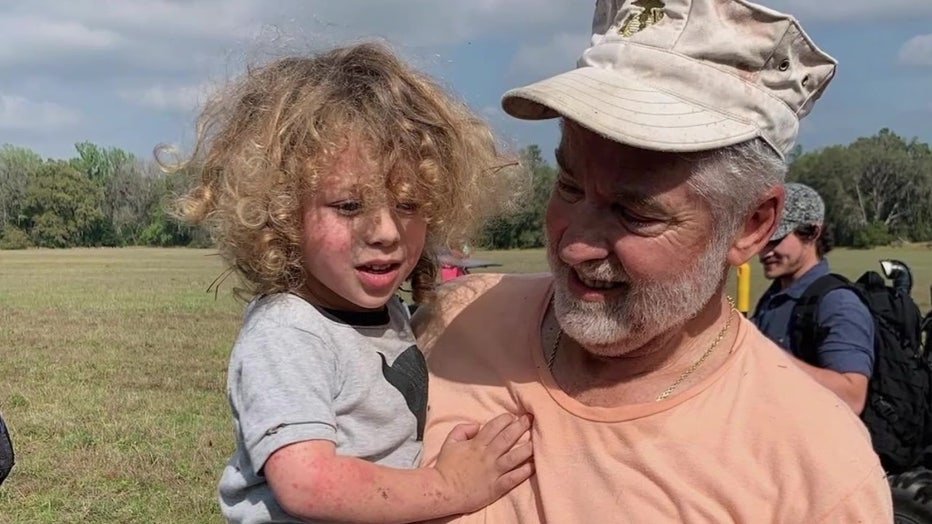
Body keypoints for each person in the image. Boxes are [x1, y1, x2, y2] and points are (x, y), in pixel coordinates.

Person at [412, 0, 893, 521]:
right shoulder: (455, 319)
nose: (576, 245)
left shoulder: (817, 471)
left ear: (751, 225)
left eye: (636, 214)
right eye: (569, 186)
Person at [169, 42, 533, 523]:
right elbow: (308, 482)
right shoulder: (289, 333)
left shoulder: (387, 314)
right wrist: (446, 487)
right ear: (281, 211)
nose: (385, 232)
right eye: (348, 206)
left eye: (408, 205)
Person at [752, 183, 875, 414]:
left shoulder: (838, 304)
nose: (765, 252)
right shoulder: (775, 295)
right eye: (762, 240)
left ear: (813, 232)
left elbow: (852, 397)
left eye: (776, 239)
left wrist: (759, 353)